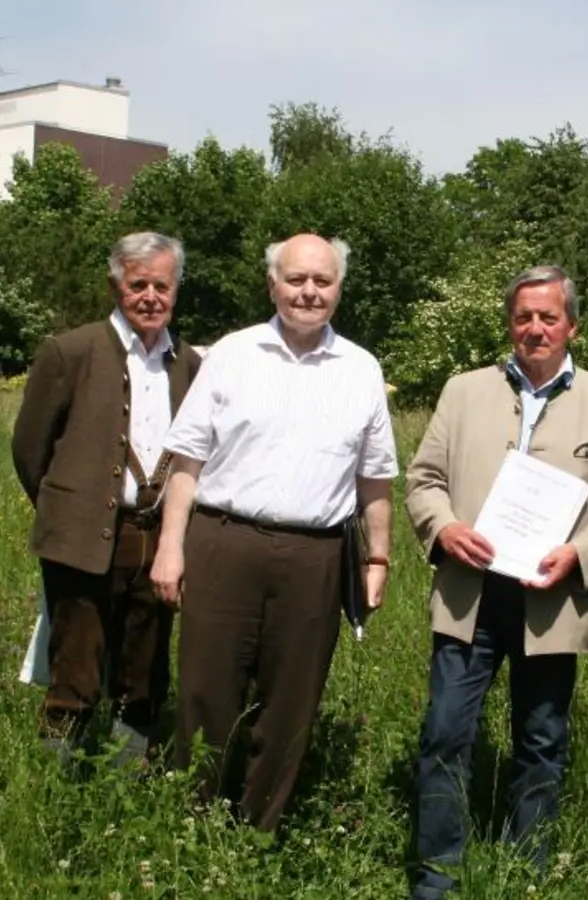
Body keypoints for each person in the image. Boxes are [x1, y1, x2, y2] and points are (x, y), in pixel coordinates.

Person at [403, 265, 588, 898]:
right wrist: (446, 529)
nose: (535, 329)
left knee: (542, 741)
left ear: (571, 325)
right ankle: (438, 878)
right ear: (509, 323)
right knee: (445, 734)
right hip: (470, 596)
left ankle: (526, 872)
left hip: (553, 601)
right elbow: (424, 479)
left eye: (548, 317)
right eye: (523, 317)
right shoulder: (463, 392)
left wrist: (581, 553)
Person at [149, 232, 398, 834]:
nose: (308, 292)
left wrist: (378, 560)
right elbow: (186, 464)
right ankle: (193, 827)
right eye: (296, 279)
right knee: (207, 695)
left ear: (339, 289)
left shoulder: (361, 368)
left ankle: (258, 835)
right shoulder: (232, 354)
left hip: (315, 558)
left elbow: (376, 480)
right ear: (272, 284)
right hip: (223, 543)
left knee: (290, 706)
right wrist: (168, 548)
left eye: (322, 281)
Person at [10, 230, 203, 767]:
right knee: (75, 668)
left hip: (158, 540)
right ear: (116, 286)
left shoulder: (188, 364)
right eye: (138, 284)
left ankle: (126, 784)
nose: (150, 297)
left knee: (144, 672)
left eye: (161, 286)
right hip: (81, 539)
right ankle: (58, 785)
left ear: (176, 290)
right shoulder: (68, 352)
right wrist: (71, 508)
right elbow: (30, 449)